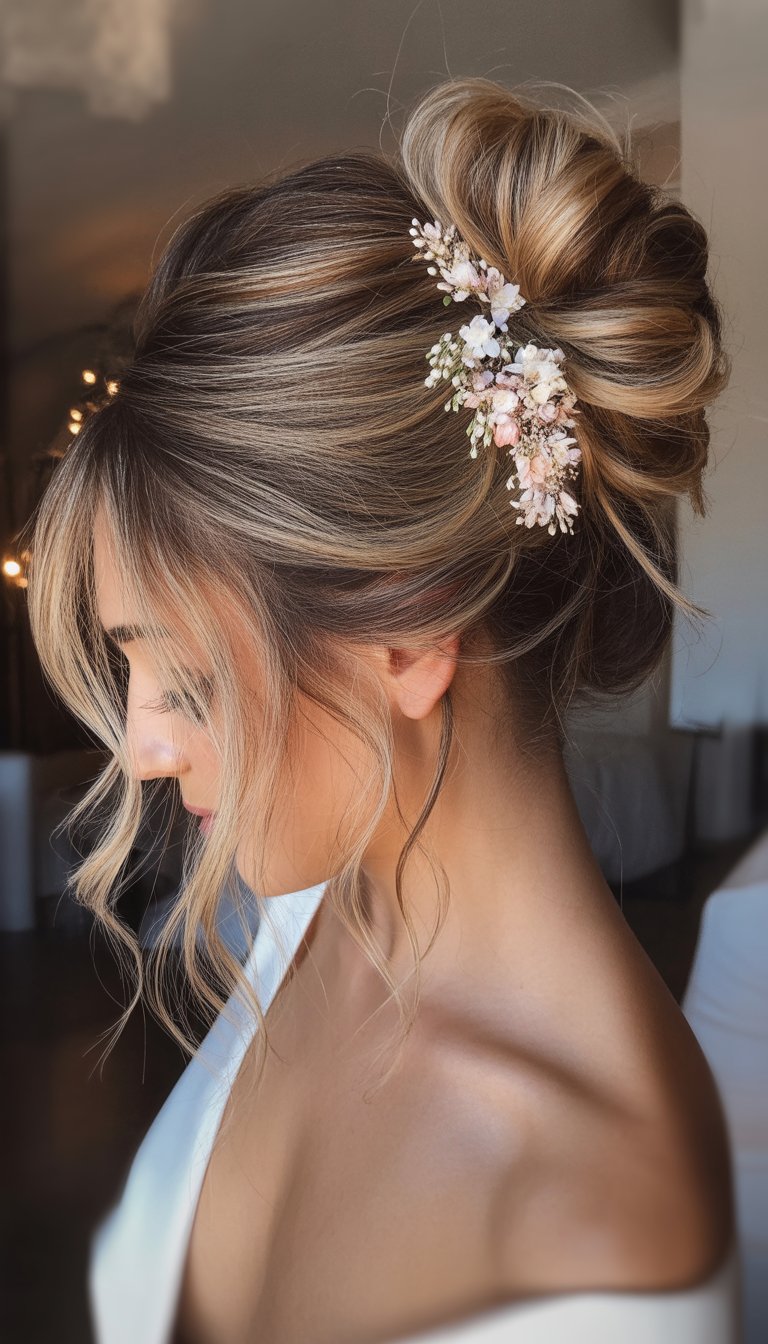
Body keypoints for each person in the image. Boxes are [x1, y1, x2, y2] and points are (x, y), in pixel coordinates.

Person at [24, 75, 741, 1342]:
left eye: (183, 677)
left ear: (407, 638)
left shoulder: (585, 1238)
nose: (138, 742)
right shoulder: (313, 907)